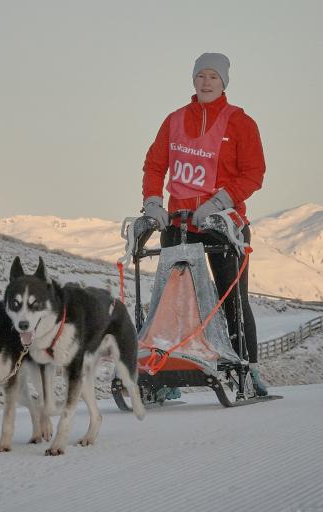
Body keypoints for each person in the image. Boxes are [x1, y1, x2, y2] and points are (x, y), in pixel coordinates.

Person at [141, 52, 268, 397]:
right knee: (173, 303)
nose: (206, 82)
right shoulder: (174, 120)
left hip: (224, 223)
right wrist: (153, 201)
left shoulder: (241, 123)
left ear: (224, 82)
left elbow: (253, 173)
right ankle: (164, 375)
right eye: (201, 76)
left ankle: (249, 370)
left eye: (213, 76)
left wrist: (219, 201)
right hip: (179, 222)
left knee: (233, 300)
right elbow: (154, 165)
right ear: (193, 80)